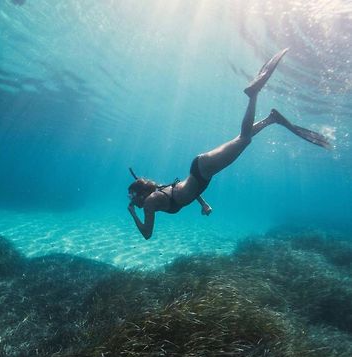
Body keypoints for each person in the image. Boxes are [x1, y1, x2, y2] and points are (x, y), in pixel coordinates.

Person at [127, 48, 331, 240]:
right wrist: (204, 204)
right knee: (240, 140)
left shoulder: (150, 203)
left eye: (132, 196)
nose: (131, 200)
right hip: (200, 169)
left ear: (140, 193)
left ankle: (253, 95)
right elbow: (184, 191)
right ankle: (271, 119)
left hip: (202, 171)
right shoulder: (157, 193)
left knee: (244, 139)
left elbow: (147, 234)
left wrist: (132, 213)